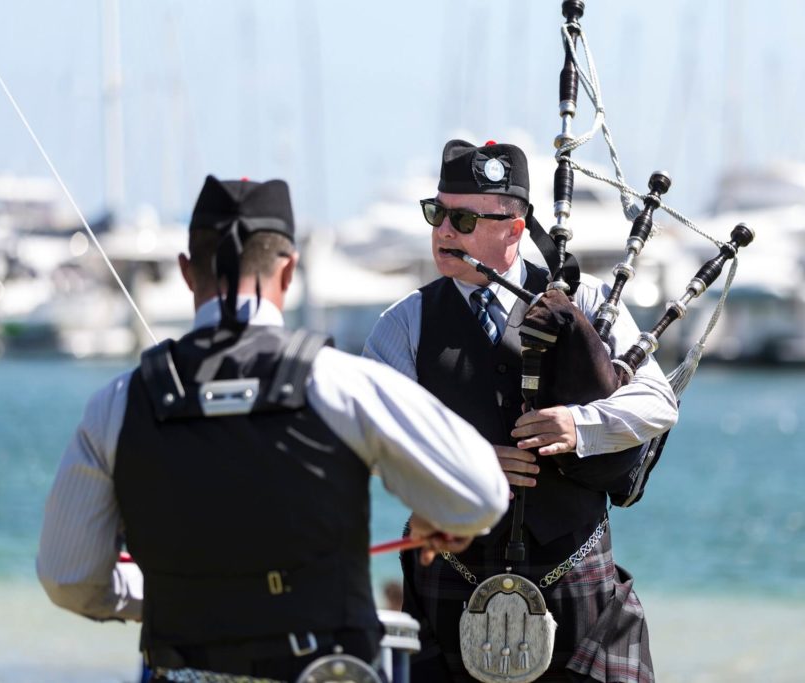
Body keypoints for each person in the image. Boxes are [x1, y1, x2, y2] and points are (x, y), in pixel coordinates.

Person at [37, 175, 509, 683]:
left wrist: (178, 592)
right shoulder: (341, 382)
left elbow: (70, 578)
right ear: (288, 272)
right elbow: (482, 493)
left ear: (185, 271)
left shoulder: (117, 403)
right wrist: (443, 520)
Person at [363, 140, 679, 682]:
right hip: (450, 586)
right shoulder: (405, 323)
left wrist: (577, 427)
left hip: (579, 587)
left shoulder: (586, 302)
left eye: (462, 218)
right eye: (436, 213)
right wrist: (469, 460)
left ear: (513, 227)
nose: (443, 231)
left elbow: (657, 402)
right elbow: (372, 437)